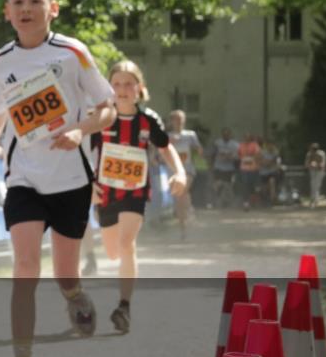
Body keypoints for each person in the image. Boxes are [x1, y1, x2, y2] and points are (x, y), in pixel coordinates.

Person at [0, 0, 115, 357]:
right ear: (7, 13)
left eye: (36, 1)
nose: (27, 8)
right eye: (18, 2)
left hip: (71, 180)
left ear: (52, 8)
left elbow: (107, 106)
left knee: (63, 272)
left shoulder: (72, 53)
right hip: (25, 180)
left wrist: (81, 130)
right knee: (24, 269)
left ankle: (74, 294)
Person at [91, 61, 185, 332]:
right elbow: (83, 152)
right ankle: (122, 286)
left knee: (127, 243)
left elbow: (166, 148)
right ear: (109, 87)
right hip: (105, 192)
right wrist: (87, 183)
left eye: (128, 83)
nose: (122, 89)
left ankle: (124, 306)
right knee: (111, 251)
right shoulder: (100, 117)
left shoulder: (148, 120)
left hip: (135, 191)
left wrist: (178, 172)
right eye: (116, 83)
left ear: (139, 88)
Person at [167, 109, 202, 238]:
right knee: (179, 198)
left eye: (181, 119)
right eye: (176, 119)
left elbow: (199, 150)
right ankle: (184, 223)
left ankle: (187, 218)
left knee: (182, 192)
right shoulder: (168, 136)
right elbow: (160, 151)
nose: (179, 122)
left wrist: (197, 150)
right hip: (174, 170)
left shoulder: (190, 135)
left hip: (188, 169)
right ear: (172, 121)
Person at [210, 128, 240, 208]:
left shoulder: (235, 144)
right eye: (224, 134)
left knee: (228, 186)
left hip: (229, 168)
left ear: (230, 135)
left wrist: (230, 157)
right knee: (217, 184)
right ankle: (216, 201)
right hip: (218, 167)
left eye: (227, 134)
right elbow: (213, 154)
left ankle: (228, 202)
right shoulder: (217, 143)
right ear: (222, 134)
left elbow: (237, 156)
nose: (226, 135)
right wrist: (211, 165)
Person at [237, 133, 261, 210]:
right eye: (245, 137)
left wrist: (251, 159)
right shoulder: (241, 145)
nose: (247, 138)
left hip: (253, 168)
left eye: (248, 137)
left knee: (253, 186)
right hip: (244, 169)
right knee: (245, 185)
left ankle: (253, 201)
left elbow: (257, 155)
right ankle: (246, 203)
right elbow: (239, 155)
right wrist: (244, 159)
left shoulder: (254, 145)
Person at [258, 138, 282, 206]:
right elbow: (259, 161)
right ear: (267, 145)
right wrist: (265, 163)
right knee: (264, 188)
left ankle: (272, 199)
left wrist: (274, 164)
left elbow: (277, 161)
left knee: (272, 181)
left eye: (272, 145)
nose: (271, 147)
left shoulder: (276, 152)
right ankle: (265, 200)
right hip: (263, 172)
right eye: (269, 145)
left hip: (272, 172)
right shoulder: (262, 152)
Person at [305, 143, 326, 208]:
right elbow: (306, 164)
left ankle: (315, 200)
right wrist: (311, 165)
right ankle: (313, 200)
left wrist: (317, 164)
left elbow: (323, 164)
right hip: (312, 171)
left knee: (317, 186)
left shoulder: (321, 154)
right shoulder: (309, 154)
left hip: (319, 172)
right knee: (313, 186)